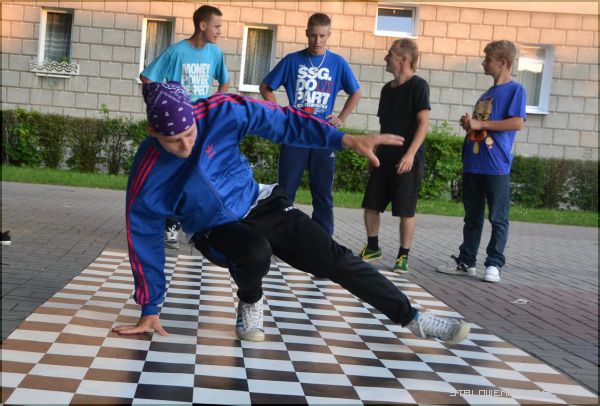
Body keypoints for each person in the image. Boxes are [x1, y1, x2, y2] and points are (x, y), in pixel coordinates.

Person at [111, 81, 470, 347]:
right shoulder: (147, 175)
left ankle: (414, 317)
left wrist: (342, 139)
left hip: (258, 202)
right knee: (255, 250)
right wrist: (150, 307)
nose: (186, 145)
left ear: (193, 114)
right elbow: (144, 239)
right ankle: (250, 300)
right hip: (212, 228)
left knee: (333, 257)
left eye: (190, 134)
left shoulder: (219, 111)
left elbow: (283, 121)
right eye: (173, 141)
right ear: (152, 131)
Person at [259, 13, 361, 236]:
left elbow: (356, 91)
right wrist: (280, 113)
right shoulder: (292, 60)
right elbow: (266, 86)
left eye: (322, 36)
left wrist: (341, 118)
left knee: (323, 194)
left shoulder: (337, 63)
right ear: (306, 33)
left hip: (323, 136)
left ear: (329, 35)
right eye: (313, 35)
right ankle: (279, 236)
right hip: (295, 134)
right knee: (286, 191)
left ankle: (323, 242)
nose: (317, 40)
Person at [140, 5, 229, 249]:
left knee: (199, 174)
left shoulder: (215, 53)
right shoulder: (176, 52)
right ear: (202, 25)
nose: (219, 31)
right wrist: (161, 110)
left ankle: (195, 225)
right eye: (216, 26)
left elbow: (224, 81)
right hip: (178, 127)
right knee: (175, 175)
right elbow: (147, 78)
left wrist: (214, 105)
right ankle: (170, 225)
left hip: (201, 124)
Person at [437, 40, 526, 283]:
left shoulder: (515, 90)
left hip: (496, 166)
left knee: (498, 218)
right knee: (472, 218)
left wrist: (480, 123)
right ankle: (467, 261)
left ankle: (494, 264)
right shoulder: (487, 94)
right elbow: (480, 127)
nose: (483, 63)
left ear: (503, 62)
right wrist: (470, 125)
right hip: (473, 163)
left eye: (488, 59)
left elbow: (517, 122)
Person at [358, 39, 430, 274]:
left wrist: (410, 155)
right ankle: (372, 247)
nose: (385, 58)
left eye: (389, 54)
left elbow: (423, 124)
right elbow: (384, 126)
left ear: (404, 59)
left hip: (407, 159)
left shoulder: (419, 86)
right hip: (384, 157)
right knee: (371, 204)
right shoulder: (386, 90)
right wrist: (373, 153)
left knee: (405, 209)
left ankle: (402, 256)